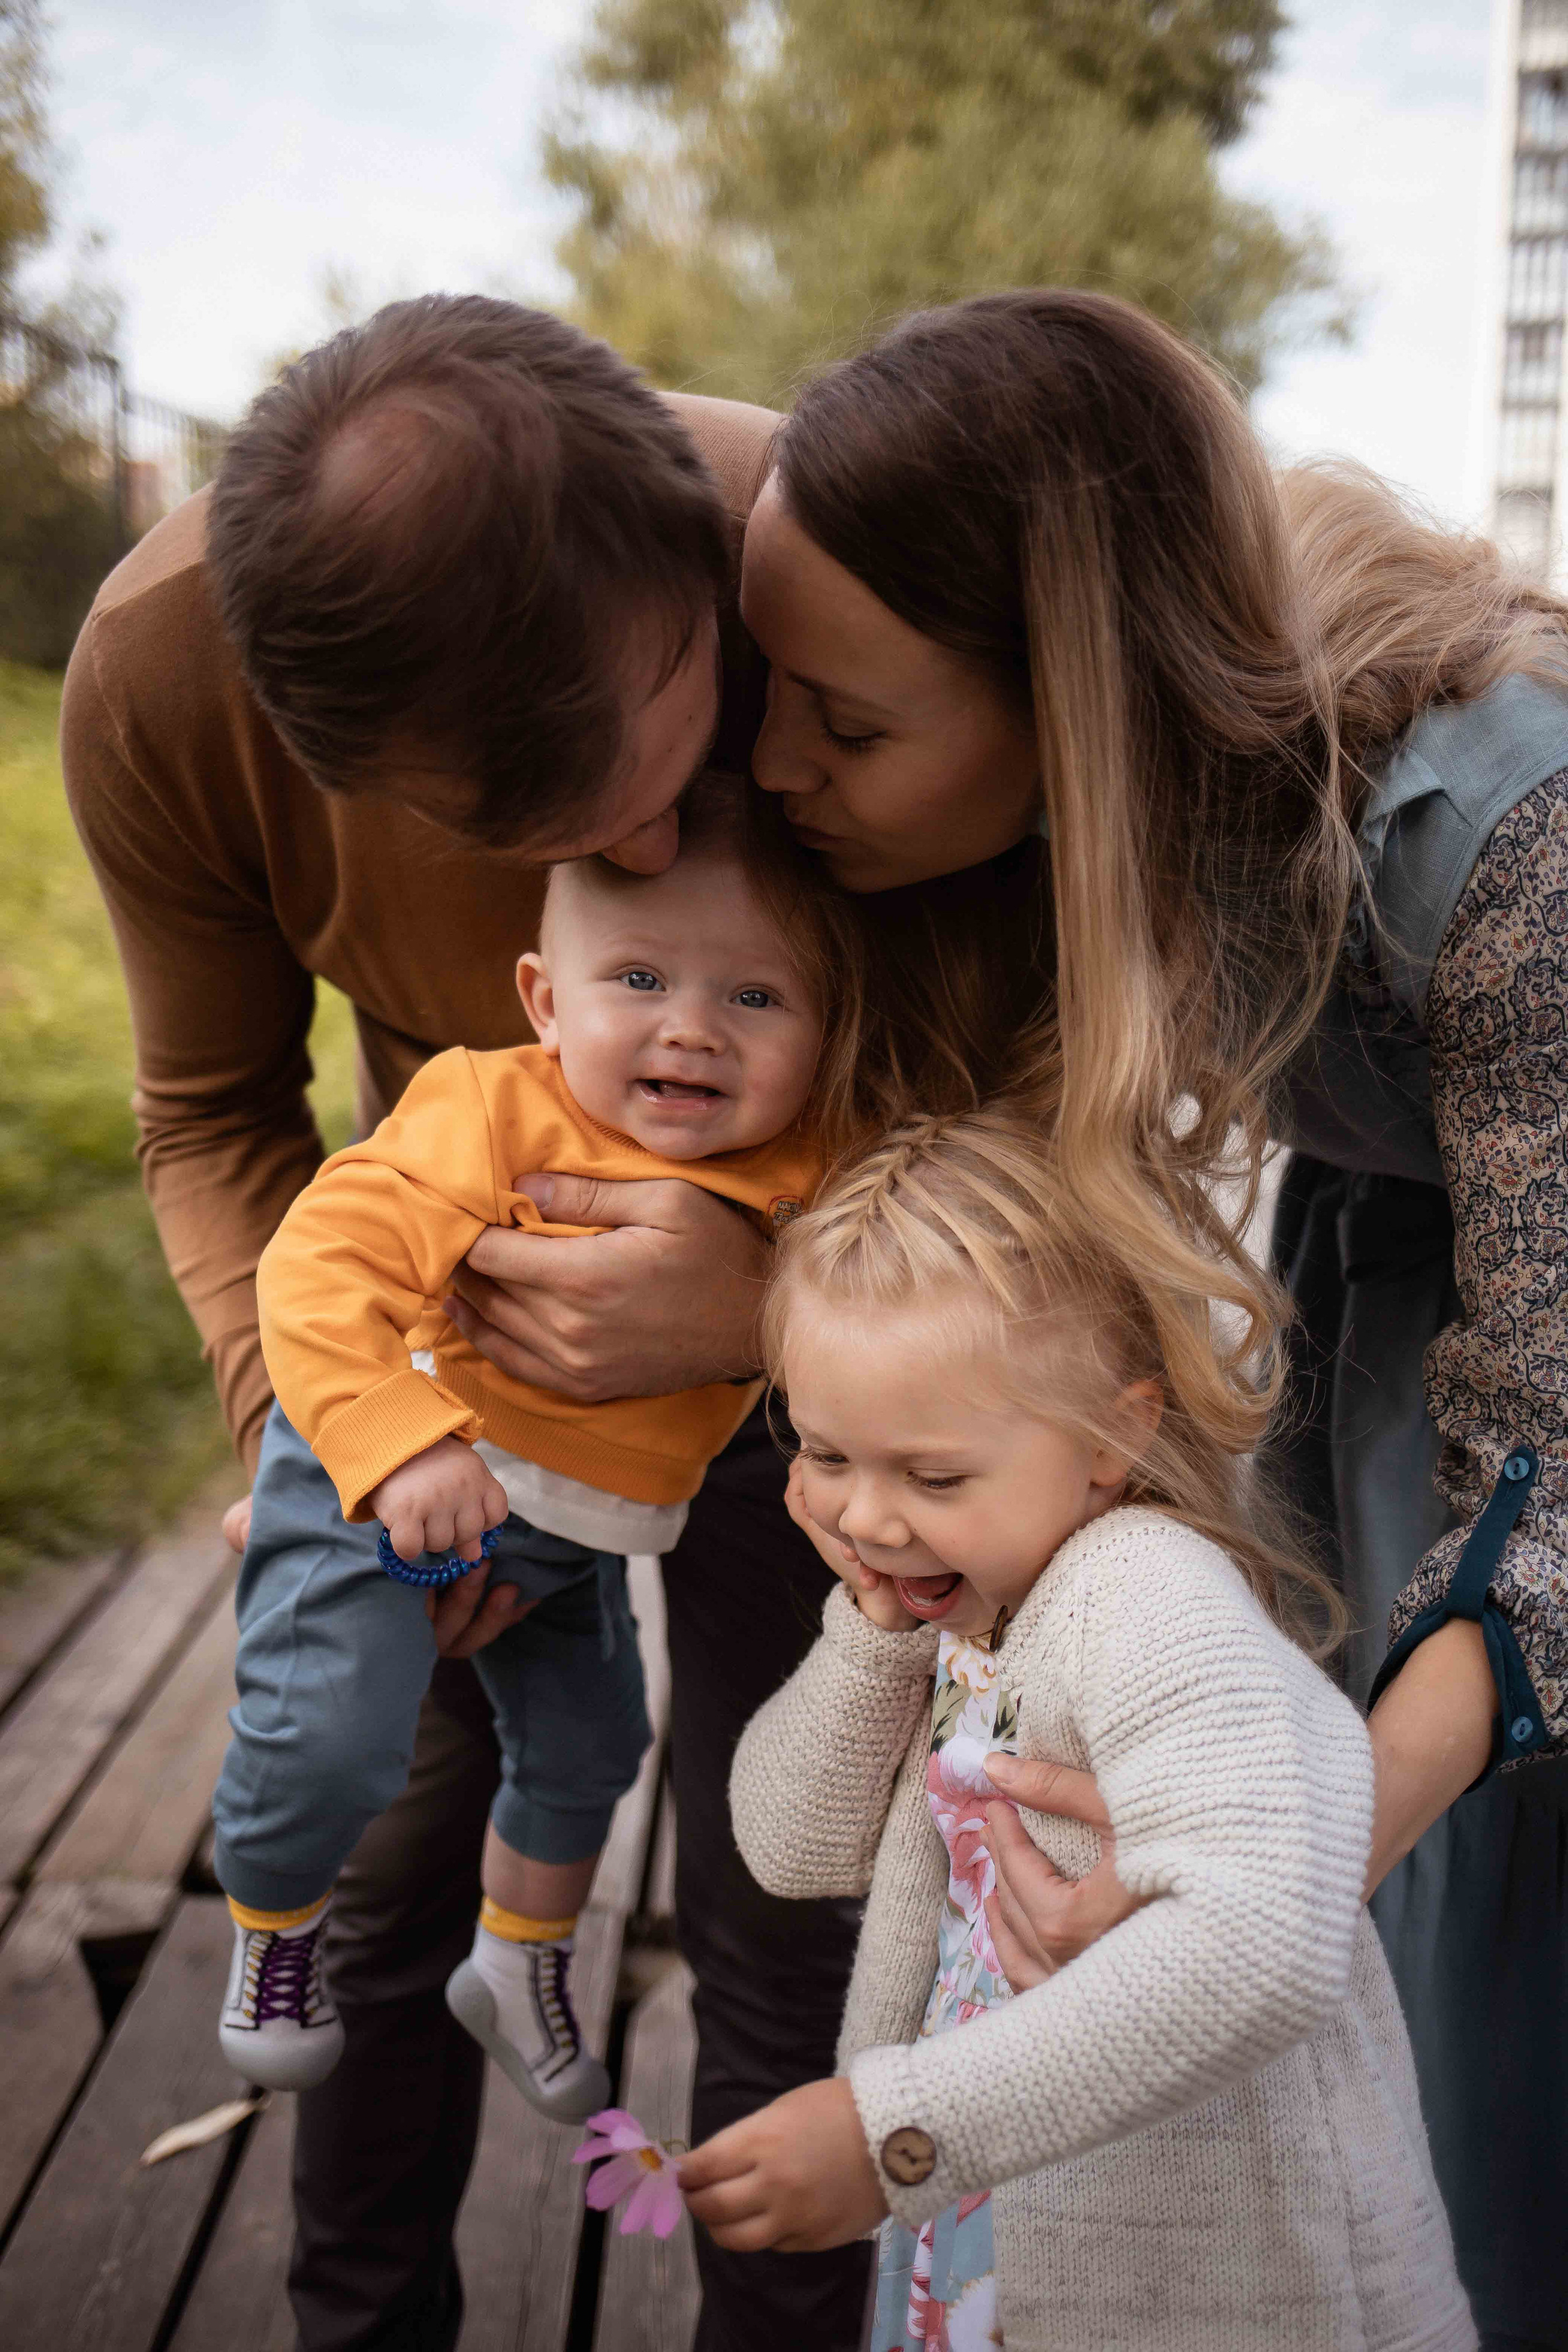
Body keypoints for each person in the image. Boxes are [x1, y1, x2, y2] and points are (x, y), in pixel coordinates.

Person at [733, 288, 1568, 2348]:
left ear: (1073, 699)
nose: (776, 764)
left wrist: (1278, 1871)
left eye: (847, 724)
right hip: (1386, 1273)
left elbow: (1555, 1460)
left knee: (1482, 1951)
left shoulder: (1508, 857)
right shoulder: (1043, 836)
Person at [61, 294, 871, 2352]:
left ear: (700, 578)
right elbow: (212, 1110)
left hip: (854, 1282)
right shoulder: (167, 686)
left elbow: (1042, 1088)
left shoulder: (857, 560)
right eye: (528, 846)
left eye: (655, 764)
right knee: (384, 1865)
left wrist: (783, 1303)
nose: (624, 862)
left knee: (786, 1897)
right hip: (448, 1345)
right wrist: (334, 1432)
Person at [679, 1112, 1474, 2351]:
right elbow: (787, 1844)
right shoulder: (971, 1606)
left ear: (1111, 1439)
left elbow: (1262, 1939)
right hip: (998, 2214)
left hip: (1204, 2265)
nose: (868, 1517)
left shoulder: (1138, 1594)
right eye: (825, 1453)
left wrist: (892, 2135)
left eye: (930, 1478)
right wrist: (870, 1631)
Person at [213, 781, 829, 2120]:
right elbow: (320, 1262)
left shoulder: (807, 1169)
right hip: (394, 1479)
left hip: (579, 1530)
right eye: (642, 978)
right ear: (546, 1003)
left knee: (593, 1747)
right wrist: (390, 1447)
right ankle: (273, 1921)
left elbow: (896, 1293)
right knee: (340, 1736)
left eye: (756, 998)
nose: (690, 1028)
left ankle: (520, 1958)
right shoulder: (489, 1111)